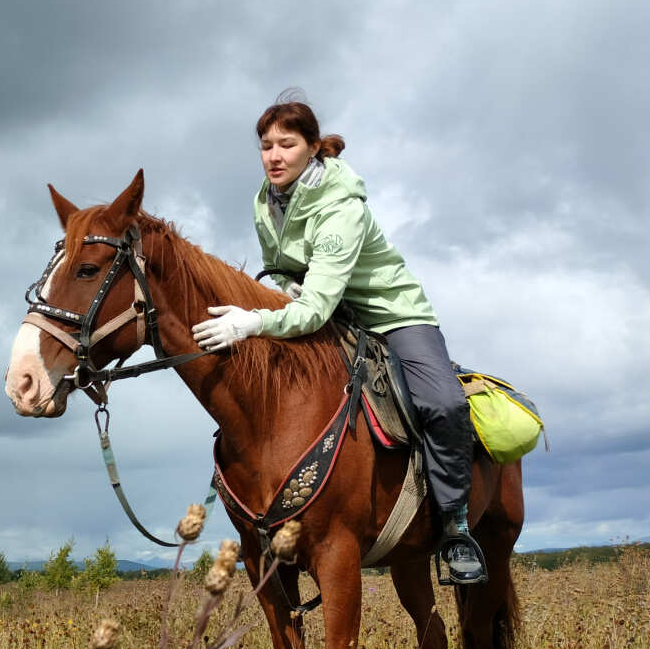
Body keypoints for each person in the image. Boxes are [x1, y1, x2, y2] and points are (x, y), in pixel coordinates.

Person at [190, 93, 487, 584]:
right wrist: (279, 288)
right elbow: (282, 269)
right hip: (329, 313)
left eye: (287, 144)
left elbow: (313, 309)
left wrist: (253, 321)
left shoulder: (340, 206)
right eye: (266, 146)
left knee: (443, 404)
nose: (274, 156)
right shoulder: (264, 202)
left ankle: (456, 528)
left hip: (391, 316)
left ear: (312, 148)